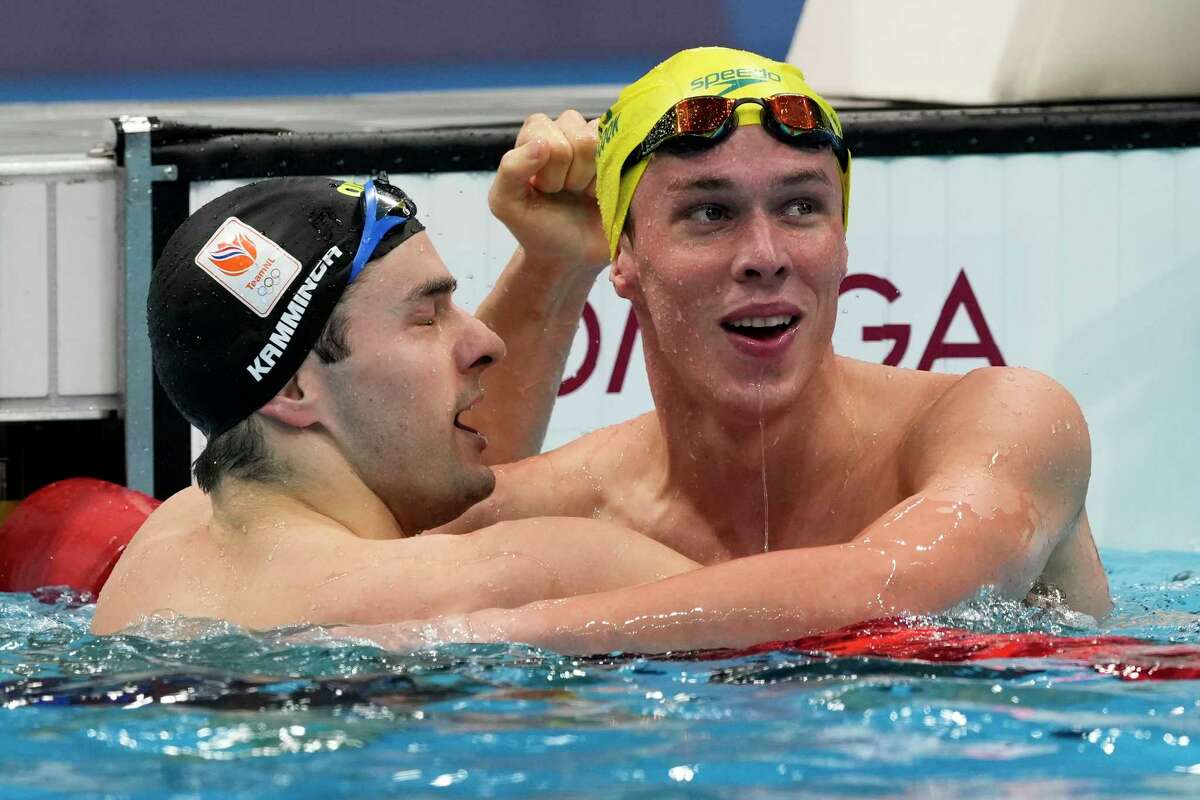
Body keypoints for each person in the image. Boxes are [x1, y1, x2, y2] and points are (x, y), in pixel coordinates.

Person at [363, 46, 1111, 654]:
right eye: (709, 212)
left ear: (842, 241)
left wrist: (486, 634)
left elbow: (896, 592)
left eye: (801, 207)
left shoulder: (1004, 421)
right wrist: (555, 266)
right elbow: (395, 534)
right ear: (625, 256)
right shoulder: (581, 504)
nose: (764, 255)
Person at [91, 167, 697, 634]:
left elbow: (410, 463)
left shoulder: (168, 548)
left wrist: (554, 263)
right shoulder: (529, 575)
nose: (488, 342)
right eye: (427, 318)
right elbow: (791, 628)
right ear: (295, 389)